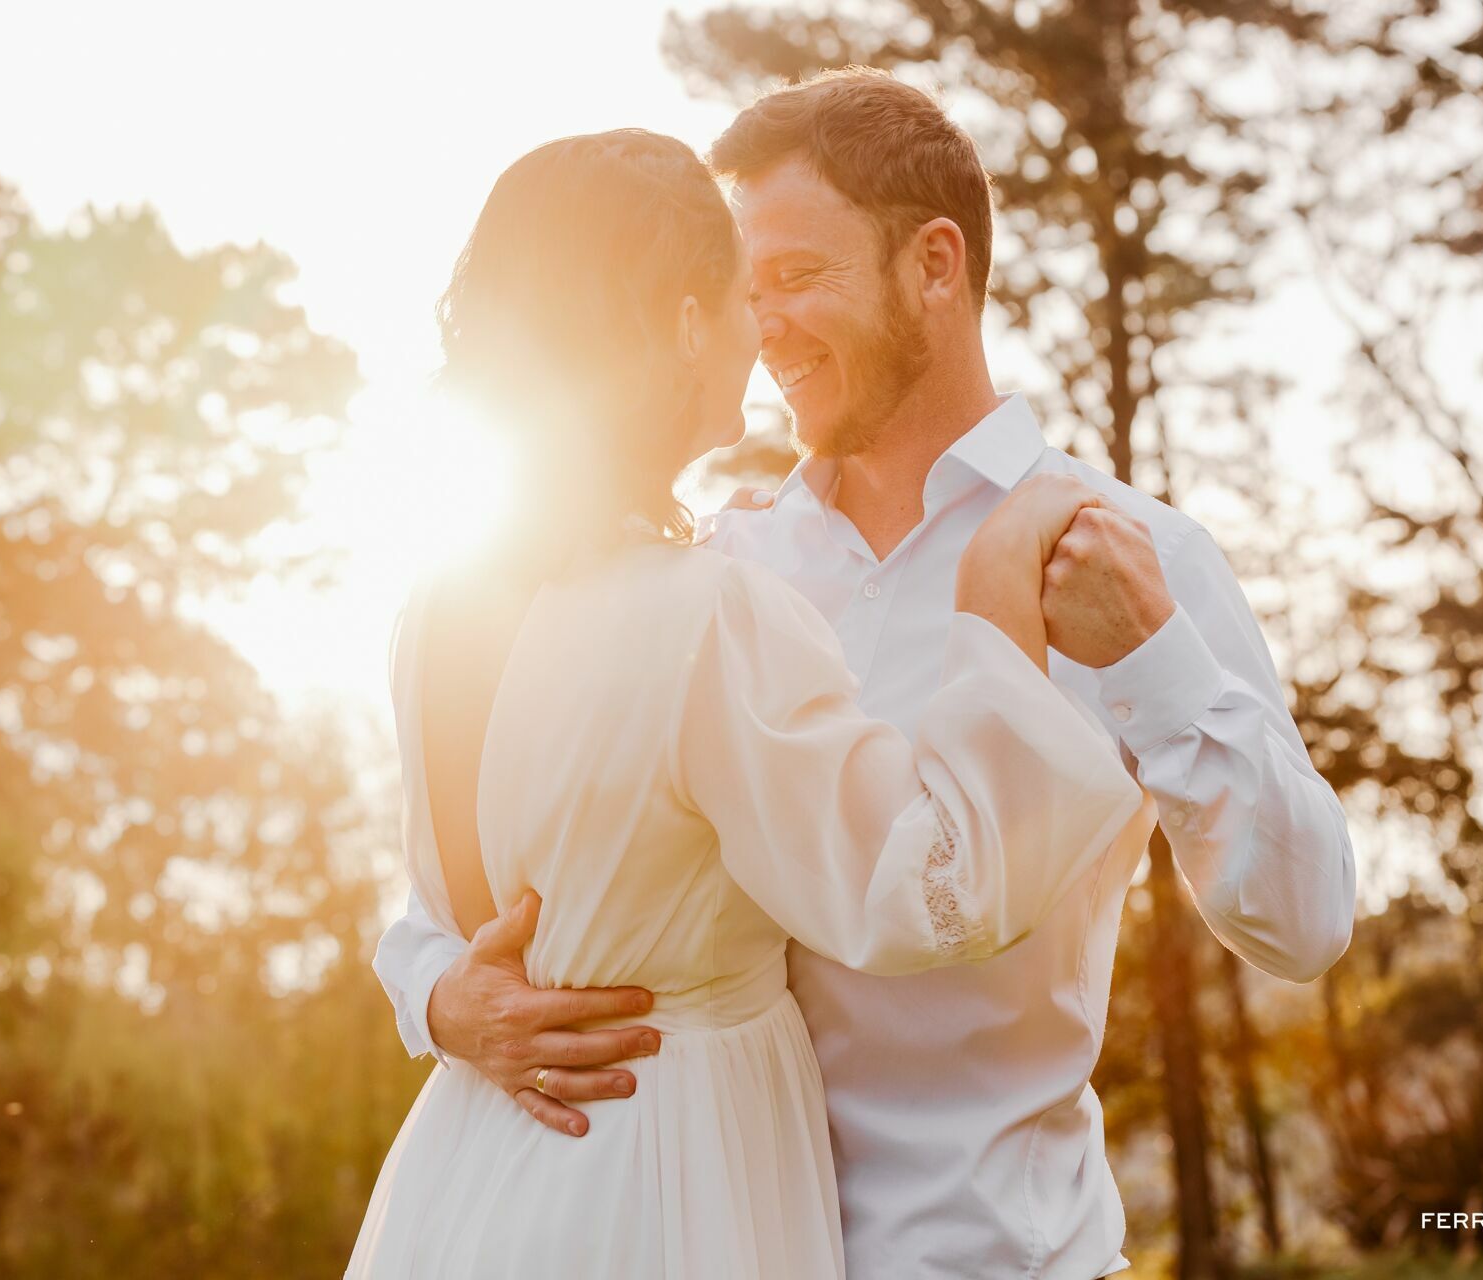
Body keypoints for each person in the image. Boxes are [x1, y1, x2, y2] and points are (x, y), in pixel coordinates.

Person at [376, 72, 1358, 1279]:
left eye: (796, 276)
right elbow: (475, 896)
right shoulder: (711, 574)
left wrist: (1152, 656)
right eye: (745, 288)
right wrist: (444, 1001)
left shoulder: (1125, 556)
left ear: (935, 267)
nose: (761, 320)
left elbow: (1305, 925)